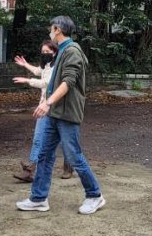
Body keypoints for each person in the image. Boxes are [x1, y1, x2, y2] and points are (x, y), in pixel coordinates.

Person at [16, 15, 105, 215]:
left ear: (57, 29)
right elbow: (50, 79)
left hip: (66, 114)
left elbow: (68, 82)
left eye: (51, 29)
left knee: (74, 156)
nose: (50, 32)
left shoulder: (72, 51)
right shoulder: (61, 51)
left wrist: (47, 102)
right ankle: (38, 199)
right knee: (44, 155)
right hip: (55, 113)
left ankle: (95, 195)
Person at [11, 40, 75, 183]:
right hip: (44, 107)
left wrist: (27, 81)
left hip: (56, 107)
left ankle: (69, 166)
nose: (45, 54)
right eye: (43, 52)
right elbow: (38, 71)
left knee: (65, 141)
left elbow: (46, 83)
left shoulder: (57, 67)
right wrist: (25, 64)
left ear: (55, 52)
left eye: (48, 52)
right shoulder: (47, 65)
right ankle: (30, 170)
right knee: (38, 138)